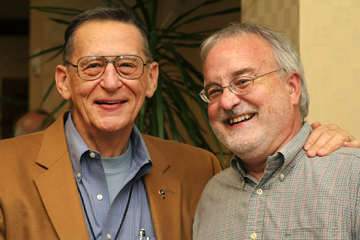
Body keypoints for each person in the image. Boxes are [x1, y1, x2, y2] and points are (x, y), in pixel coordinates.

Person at [0, 7, 355, 240]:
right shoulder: (4, 169)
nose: (110, 82)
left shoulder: (198, 171)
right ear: (64, 80)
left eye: (127, 65)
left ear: (151, 79)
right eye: (92, 66)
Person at [193, 22, 360, 239]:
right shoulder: (212, 195)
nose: (226, 101)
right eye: (214, 90)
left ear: (292, 88)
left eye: (243, 81)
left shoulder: (352, 176)